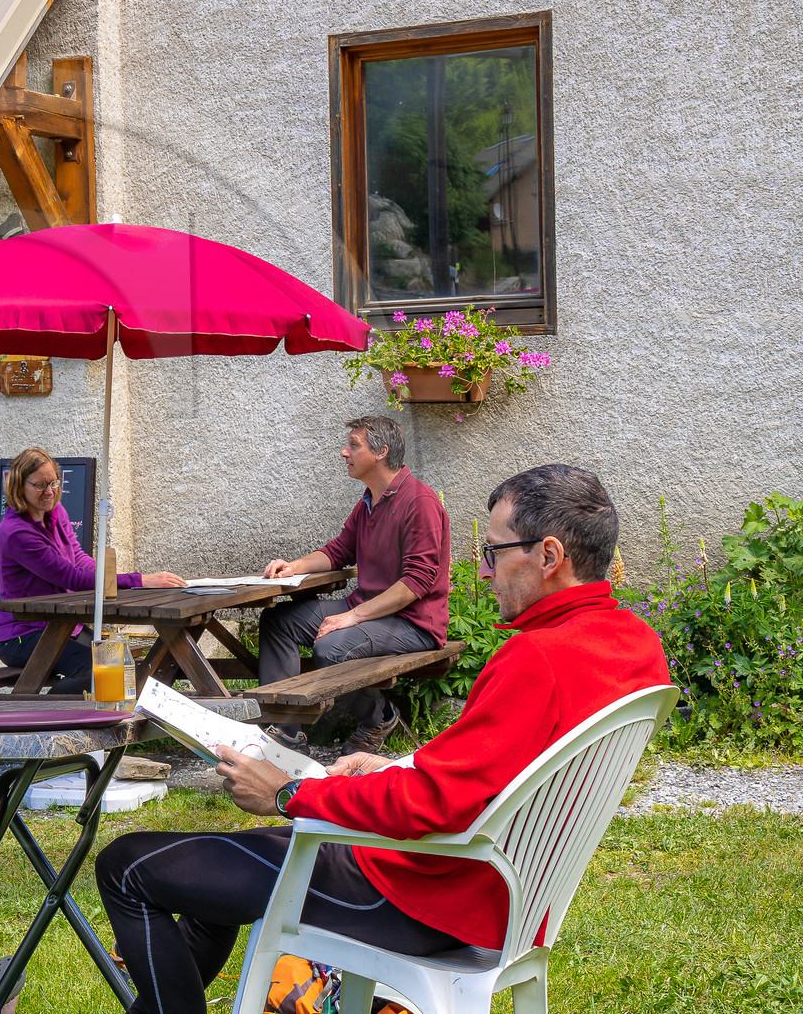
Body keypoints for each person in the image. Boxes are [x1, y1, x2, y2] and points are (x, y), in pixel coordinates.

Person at [96, 465, 671, 1014]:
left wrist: (287, 795)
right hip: (502, 899)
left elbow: (433, 805)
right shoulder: (633, 643)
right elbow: (499, 775)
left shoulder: (538, 657)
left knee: (124, 865)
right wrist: (399, 765)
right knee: (207, 886)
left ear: (549, 556)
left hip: (419, 897)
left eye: (493, 552)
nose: (483, 570)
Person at [257, 415, 450, 755]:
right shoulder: (369, 500)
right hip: (368, 610)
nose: (344, 452)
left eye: (353, 445)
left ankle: (379, 717)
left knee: (331, 648)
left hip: (413, 622)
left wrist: (355, 616)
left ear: (381, 452)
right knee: (279, 622)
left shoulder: (420, 503)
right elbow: (338, 550)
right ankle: (286, 731)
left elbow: (416, 582)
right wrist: (294, 566)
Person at [0, 447, 185, 694]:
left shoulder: (55, 512)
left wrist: (112, 580)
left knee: (119, 665)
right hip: (22, 635)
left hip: (62, 624)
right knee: (95, 669)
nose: (49, 491)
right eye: (40, 485)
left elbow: (79, 559)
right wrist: (138, 579)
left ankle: (109, 720)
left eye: (53, 482)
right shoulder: (17, 533)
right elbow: (69, 576)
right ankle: (52, 720)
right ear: (20, 487)